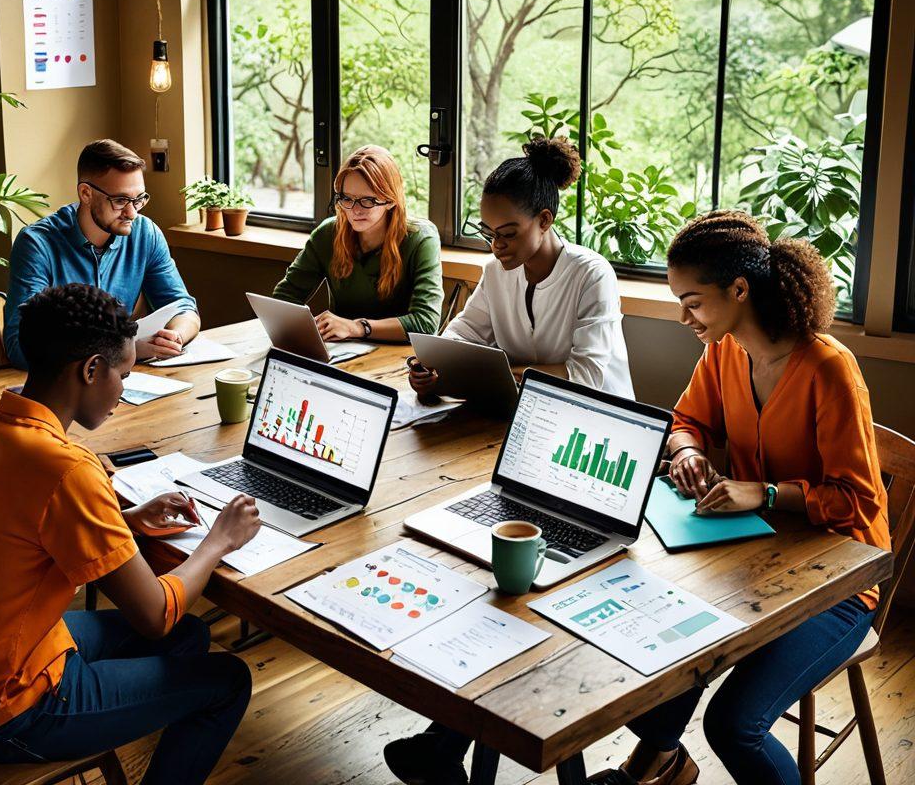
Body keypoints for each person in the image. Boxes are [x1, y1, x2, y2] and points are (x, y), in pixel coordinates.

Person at [385, 210, 890, 785]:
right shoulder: (727, 351)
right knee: (632, 632)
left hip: (840, 584)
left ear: (740, 290)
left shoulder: (829, 370)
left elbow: (857, 502)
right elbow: (685, 421)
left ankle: (655, 761)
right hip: (751, 554)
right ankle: (660, 760)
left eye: (694, 301)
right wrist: (688, 452)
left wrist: (767, 491)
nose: (684, 316)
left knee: (733, 725)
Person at [0, 284, 261, 785]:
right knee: (228, 679)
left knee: (194, 634)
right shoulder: (67, 469)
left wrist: (127, 521)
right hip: (7, 708)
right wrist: (219, 541)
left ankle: (127, 713)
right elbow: (155, 617)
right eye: (124, 374)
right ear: (91, 370)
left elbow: (20, 535)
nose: (125, 388)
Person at [407, 135, 633, 400]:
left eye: (508, 234)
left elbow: (586, 375)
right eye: (489, 233)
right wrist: (434, 367)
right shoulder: (495, 272)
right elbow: (464, 333)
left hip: (593, 418)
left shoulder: (591, 275)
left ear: (545, 220)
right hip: (521, 410)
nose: (496, 245)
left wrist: (503, 374)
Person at [4, 139, 199, 368]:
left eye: (139, 200)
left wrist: (174, 337)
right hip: (56, 392)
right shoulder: (37, 244)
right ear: (86, 193)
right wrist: (127, 351)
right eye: (120, 201)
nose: (132, 213)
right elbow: (20, 346)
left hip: (122, 383)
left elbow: (184, 308)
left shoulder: (146, 234)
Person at [272, 144, 443, 341]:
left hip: (400, 357)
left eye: (368, 200)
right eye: (347, 198)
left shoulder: (421, 239)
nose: (355, 210)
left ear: (391, 200)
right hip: (342, 351)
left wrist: (358, 327)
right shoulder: (328, 234)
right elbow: (285, 297)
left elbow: (426, 323)